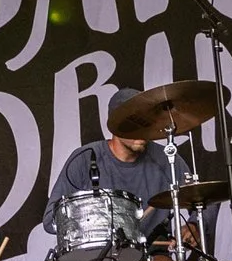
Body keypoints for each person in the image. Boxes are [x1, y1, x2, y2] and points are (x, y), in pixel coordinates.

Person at [46, 87, 175, 245]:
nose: (142, 130)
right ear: (114, 125)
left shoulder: (165, 158)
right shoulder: (84, 158)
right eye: (134, 123)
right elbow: (51, 219)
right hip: (97, 252)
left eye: (146, 122)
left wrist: (194, 224)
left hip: (152, 251)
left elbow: (200, 194)